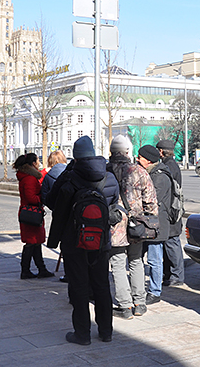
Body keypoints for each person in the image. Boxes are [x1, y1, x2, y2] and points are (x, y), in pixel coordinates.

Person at [46, 136, 120, 345]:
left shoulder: (69, 177)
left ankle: (82, 334)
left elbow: (51, 201)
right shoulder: (109, 176)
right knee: (102, 285)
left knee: (78, 286)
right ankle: (106, 331)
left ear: (76, 157)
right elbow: (114, 202)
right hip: (101, 240)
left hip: (74, 240)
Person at [107, 135, 158, 318]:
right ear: (128, 152)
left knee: (118, 263)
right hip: (137, 224)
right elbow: (151, 202)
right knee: (136, 261)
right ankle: (140, 303)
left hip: (113, 225)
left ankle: (125, 306)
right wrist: (148, 218)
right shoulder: (138, 171)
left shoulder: (105, 171)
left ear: (111, 151)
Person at [136, 144, 172, 306]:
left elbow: (152, 201)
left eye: (140, 157)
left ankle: (155, 291)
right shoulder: (151, 173)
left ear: (149, 160)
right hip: (149, 223)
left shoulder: (159, 176)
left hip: (156, 225)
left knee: (154, 259)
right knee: (142, 257)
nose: (137, 159)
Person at [14, 153, 54, 279]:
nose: (39, 162)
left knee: (35, 242)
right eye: (37, 160)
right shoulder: (29, 178)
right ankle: (26, 270)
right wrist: (42, 198)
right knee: (31, 242)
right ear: (32, 164)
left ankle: (41, 269)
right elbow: (31, 197)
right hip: (31, 213)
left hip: (29, 212)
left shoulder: (27, 176)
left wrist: (45, 172)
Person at [157, 139, 185, 287]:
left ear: (161, 151)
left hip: (171, 209)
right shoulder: (171, 164)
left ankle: (177, 275)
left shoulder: (168, 166)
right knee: (170, 241)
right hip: (173, 208)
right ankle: (170, 274)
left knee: (172, 242)